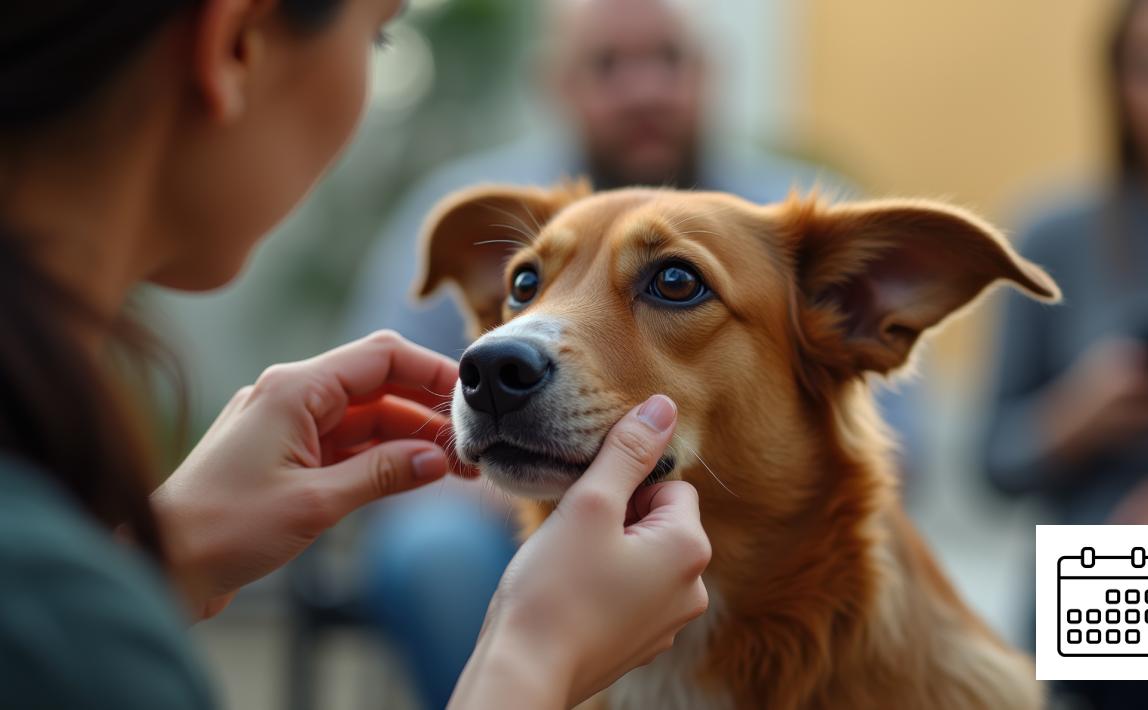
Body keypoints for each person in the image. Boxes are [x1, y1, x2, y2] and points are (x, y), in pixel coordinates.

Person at [0, 2, 711, 708]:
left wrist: (169, 553)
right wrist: (534, 656)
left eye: (677, 282)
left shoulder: (54, 600)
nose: (644, 91)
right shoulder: (60, 631)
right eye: (378, 36)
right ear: (235, 43)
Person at [343, 1, 857, 705]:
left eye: (668, 61)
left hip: (735, 536)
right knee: (436, 549)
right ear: (557, 83)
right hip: (496, 519)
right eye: (609, 65)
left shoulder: (795, 219)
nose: (644, 89)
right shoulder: (477, 209)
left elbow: (896, 445)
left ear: (708, 76)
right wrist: (548, 472)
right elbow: (391, 419)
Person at [983, 0, 1148, 706]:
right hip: (1098, 583)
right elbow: (990, 464)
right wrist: (1078, 416)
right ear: (1117, 82)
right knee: (1135, 626)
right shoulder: (1055, 235)